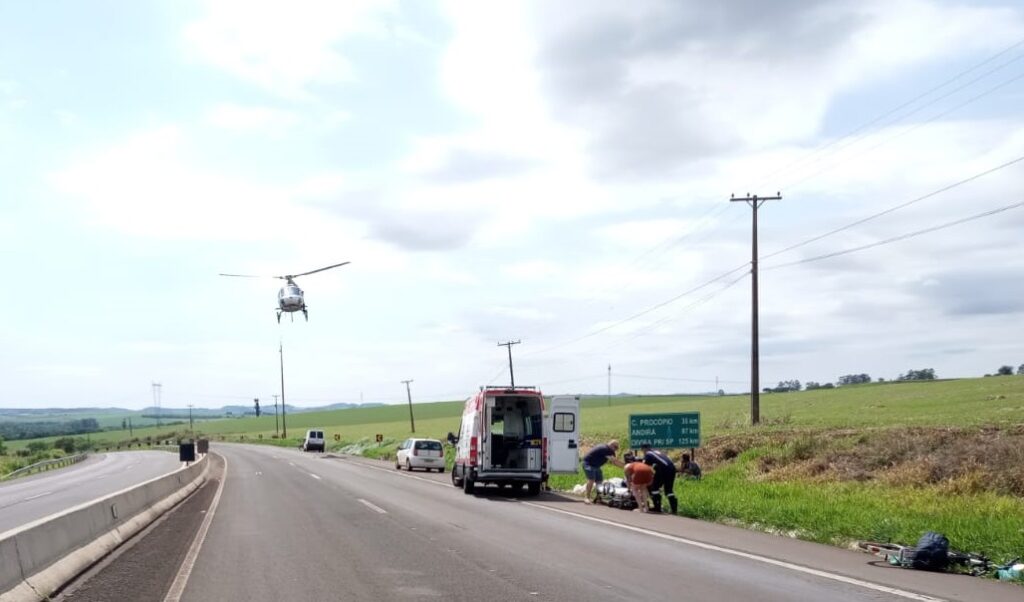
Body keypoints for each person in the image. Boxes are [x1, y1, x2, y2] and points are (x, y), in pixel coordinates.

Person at [641, 444, 677, 514]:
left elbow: (644, 467)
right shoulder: (657, 452)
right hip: (672, 469)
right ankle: (674, 510)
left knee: (654, 487)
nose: (643, 452)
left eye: (642, 450)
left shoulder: (648, 454)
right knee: (669, 490)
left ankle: (657, 507)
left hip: (663, 470)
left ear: (644, 449)